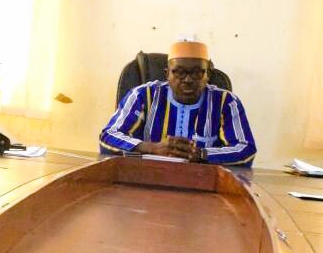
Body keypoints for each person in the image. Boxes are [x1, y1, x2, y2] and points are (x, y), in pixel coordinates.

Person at [98, 37, 256, 166]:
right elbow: (108, 137)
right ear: (167, 73)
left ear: (208, 74)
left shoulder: (225, 102)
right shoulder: (143, 95)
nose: (187, 80)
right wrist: (152, 148)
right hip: (148, 179)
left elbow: (245, 150)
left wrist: (201, 154)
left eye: (197, 73)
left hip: (203, 184)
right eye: (179, 72)